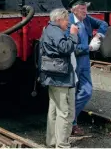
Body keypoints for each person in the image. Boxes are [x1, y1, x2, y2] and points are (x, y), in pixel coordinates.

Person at [66, 0, 108, 136]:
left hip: (84, 62)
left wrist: (99, 36)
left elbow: (104, 23)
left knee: (86, 91)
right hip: (72, 62)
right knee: (71, 93)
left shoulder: (87, 19)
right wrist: (89, 47)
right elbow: (71, 47)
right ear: (75, 10)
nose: (86, 11)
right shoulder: (67, 23)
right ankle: (71, 124)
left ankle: (69, 119)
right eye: (83, 9)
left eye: (86, 8)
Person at [39, 8, 79, 148]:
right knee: (65, 112)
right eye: (66, 20)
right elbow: (65, 48)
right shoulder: (56, 31)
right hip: (61, 78)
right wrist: (73, 35)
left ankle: (52, 141)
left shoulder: (49, 29)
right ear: (59, 19)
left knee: (54, 110)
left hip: (54, 76)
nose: (68, 23)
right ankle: (62, 145)